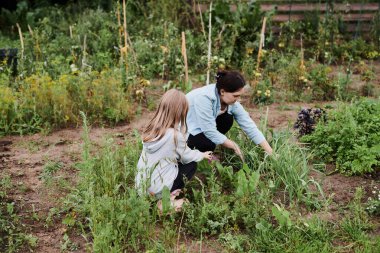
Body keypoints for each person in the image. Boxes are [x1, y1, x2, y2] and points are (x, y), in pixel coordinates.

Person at [173, 70, 273, 187]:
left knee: (227, 119)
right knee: (208, 143)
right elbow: (209, 131)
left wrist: (270, 152)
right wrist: (232, 145)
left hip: (200, 128)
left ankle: (204, 151)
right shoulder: (204, 98)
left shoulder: (230, 102)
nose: (238, 99)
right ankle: (190, 155)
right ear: (223, 91)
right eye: (236, 96)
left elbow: (249, 126)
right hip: (182, 133)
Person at [135, 89, 212, 210]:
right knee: (191, 165)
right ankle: (164, 201)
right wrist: (202, 155)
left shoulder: (151, 129)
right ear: (180, 113)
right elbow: (187, 156)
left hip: (142, 187)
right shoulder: (175, 136)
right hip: (158, 189)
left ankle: (153, 200)